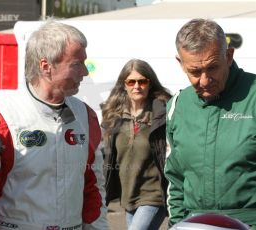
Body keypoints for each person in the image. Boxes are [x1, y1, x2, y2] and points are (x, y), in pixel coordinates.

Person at [0, 20, 109, 230]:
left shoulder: (86, 116)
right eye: (77, 64)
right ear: (46, 66)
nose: (85, 72)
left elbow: (93, 185)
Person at [165, 18, 256, 227]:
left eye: (212, 68)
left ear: (229, 56)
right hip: (193, 224)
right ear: (181, 63)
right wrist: (178, 224)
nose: (204, 80)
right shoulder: (178, 106)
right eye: (195, 72)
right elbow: (175, 180)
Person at [101, 59, 171, 230]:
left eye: (142, 81)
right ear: (124, 85)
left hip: (154, 194)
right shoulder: (114, 116)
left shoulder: (162, 114)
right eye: (131, 81)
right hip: (128, 196)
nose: (137, 86)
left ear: (150, 83)